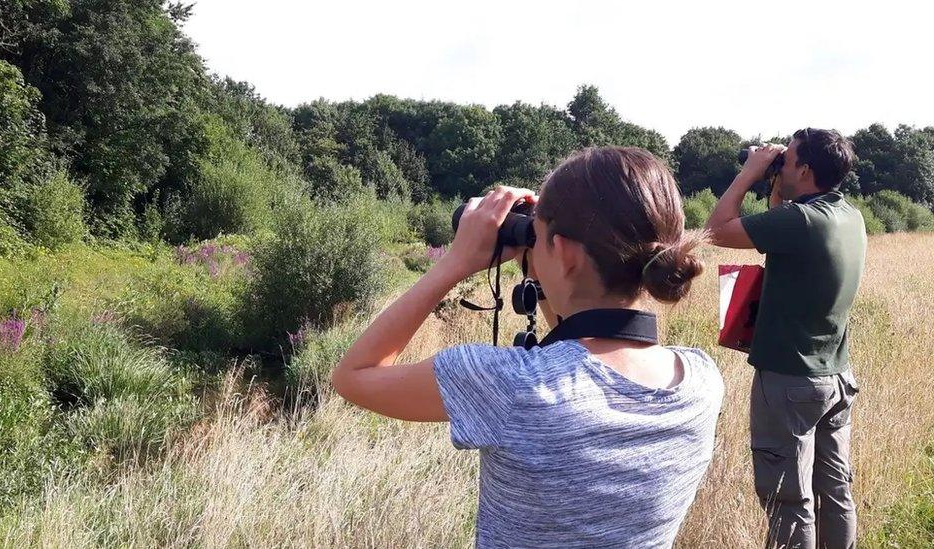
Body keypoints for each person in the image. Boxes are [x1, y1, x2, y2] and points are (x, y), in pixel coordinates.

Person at [332, 146, 724, 548]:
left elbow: (354, 376)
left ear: (566, 253)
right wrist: (547, 257)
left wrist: (456, 261)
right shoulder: (701, 380)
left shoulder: (515, 386)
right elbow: (582, 335)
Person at [705, 129, 865, 549]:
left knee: (788, 500)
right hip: (835, 378)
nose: (781, 162)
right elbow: (780, 223)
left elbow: (715, 230)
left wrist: (749, 172)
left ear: (806, 169)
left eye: (788, 159)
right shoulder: (845, 215)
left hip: (790, 382)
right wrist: (777, 184)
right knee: (835, 492)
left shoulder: (802, 221)